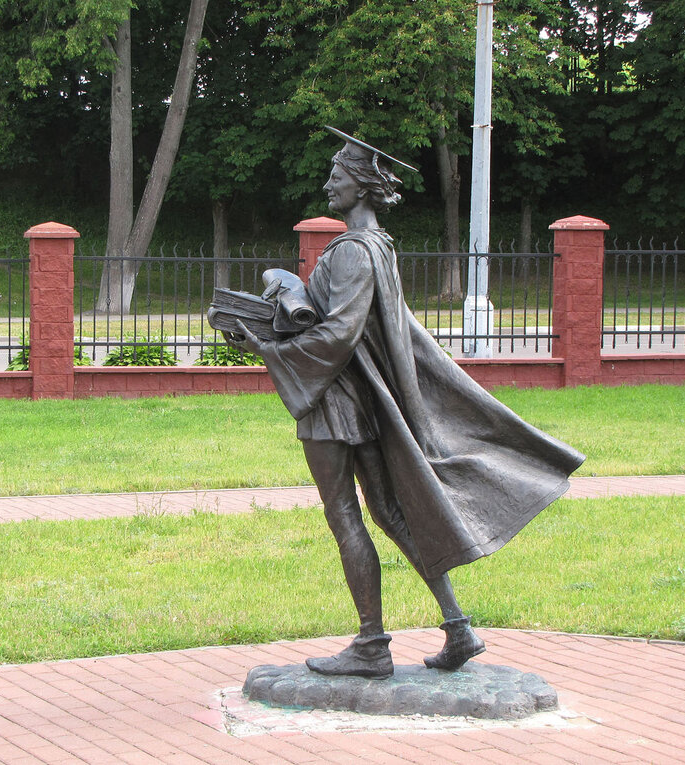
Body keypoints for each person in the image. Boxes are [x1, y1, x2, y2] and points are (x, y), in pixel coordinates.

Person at [228, 128, 585, 677]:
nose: (329, 183)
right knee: (391, 513)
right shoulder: (379, 247)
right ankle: (458, 626)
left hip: (337, 402)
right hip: (363, 401)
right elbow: (351, 325)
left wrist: (265, 349)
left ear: (364, 188)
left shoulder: (353, 252)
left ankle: (371, 645)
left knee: (345, 515)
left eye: (339, 176)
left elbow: (339, 336)